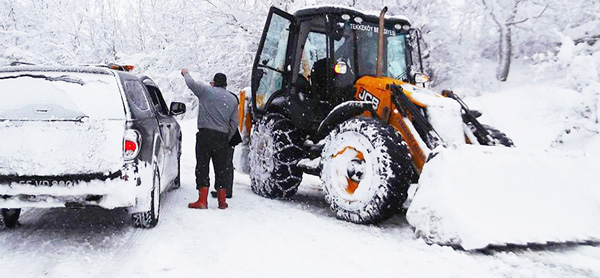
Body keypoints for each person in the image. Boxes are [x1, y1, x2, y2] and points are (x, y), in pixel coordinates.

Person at [181, 69, 238, 209]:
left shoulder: (205, 91)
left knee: (202, 166)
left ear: (213, 83)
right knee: (221, 169)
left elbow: (190, 82)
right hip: (222, 137)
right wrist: (228, 138)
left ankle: (202, 201)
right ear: (226, 84)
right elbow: (235, 123)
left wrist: (185, 73)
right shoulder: (232, 99)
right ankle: (222, 202)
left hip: (205, 135)